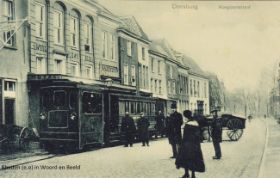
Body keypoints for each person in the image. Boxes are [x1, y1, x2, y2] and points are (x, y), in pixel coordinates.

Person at [176, 110, 205, 178]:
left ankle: (186, 173)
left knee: (185, 159)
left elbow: (185, 136)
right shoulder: (196, 123)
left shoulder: (188, 125)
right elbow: (199, 135)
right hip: (195, 145)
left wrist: (182, 144)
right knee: (193, 159)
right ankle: (193, 175)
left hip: (187, 145)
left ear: (186, 116)